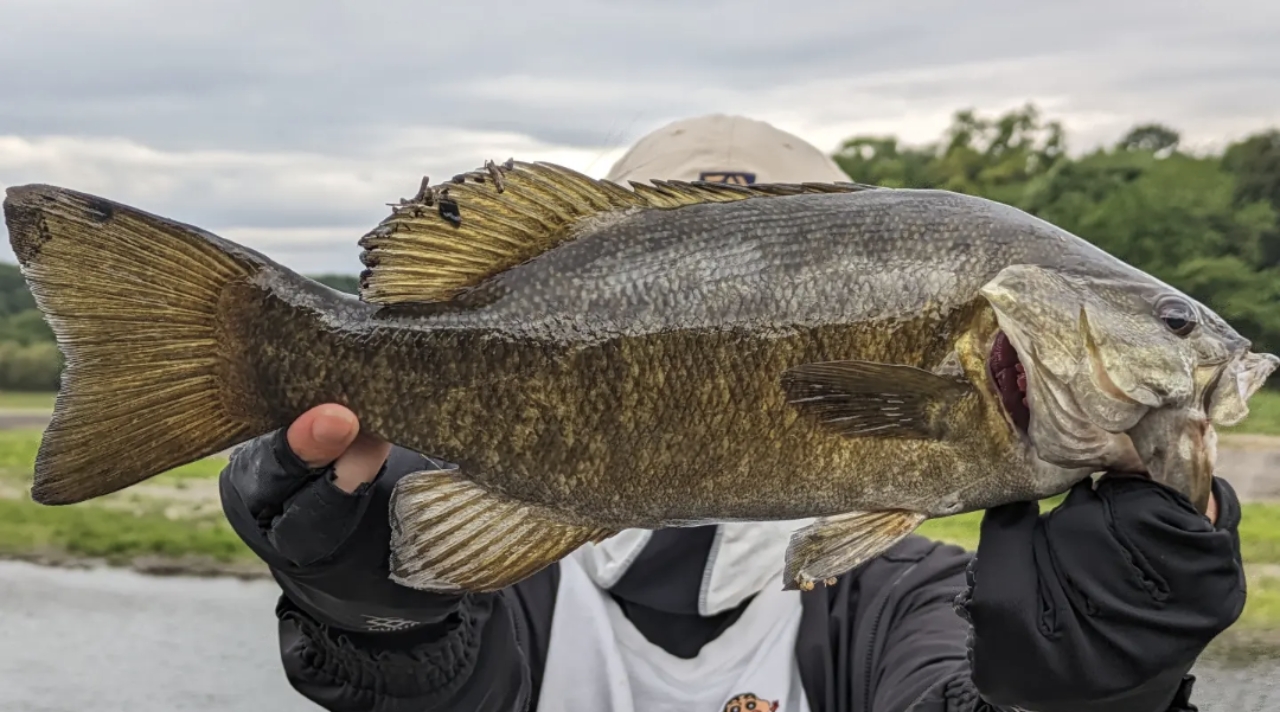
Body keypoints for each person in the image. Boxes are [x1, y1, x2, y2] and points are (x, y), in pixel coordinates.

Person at [220, 114, 1246, 712]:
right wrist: (368, 611)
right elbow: (435, 682)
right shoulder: (520, 585)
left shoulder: (899, 588)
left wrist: (1092, 696)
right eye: (1168, 323)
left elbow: (947, 690)